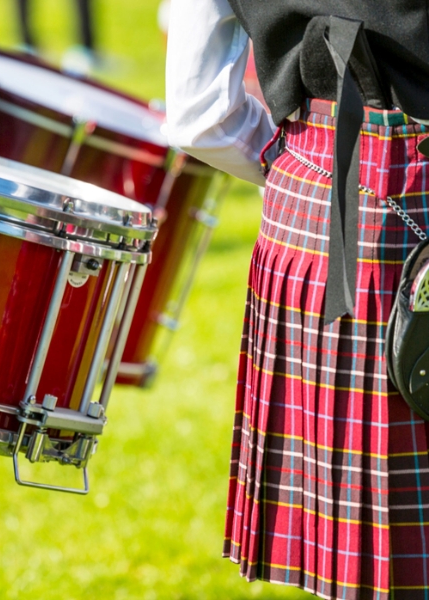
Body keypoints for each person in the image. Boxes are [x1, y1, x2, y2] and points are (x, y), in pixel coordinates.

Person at [167, 0, 429, 598]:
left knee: (359, 563)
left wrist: (302, 168)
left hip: (308, 202)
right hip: (395, 191)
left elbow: (197, 111)